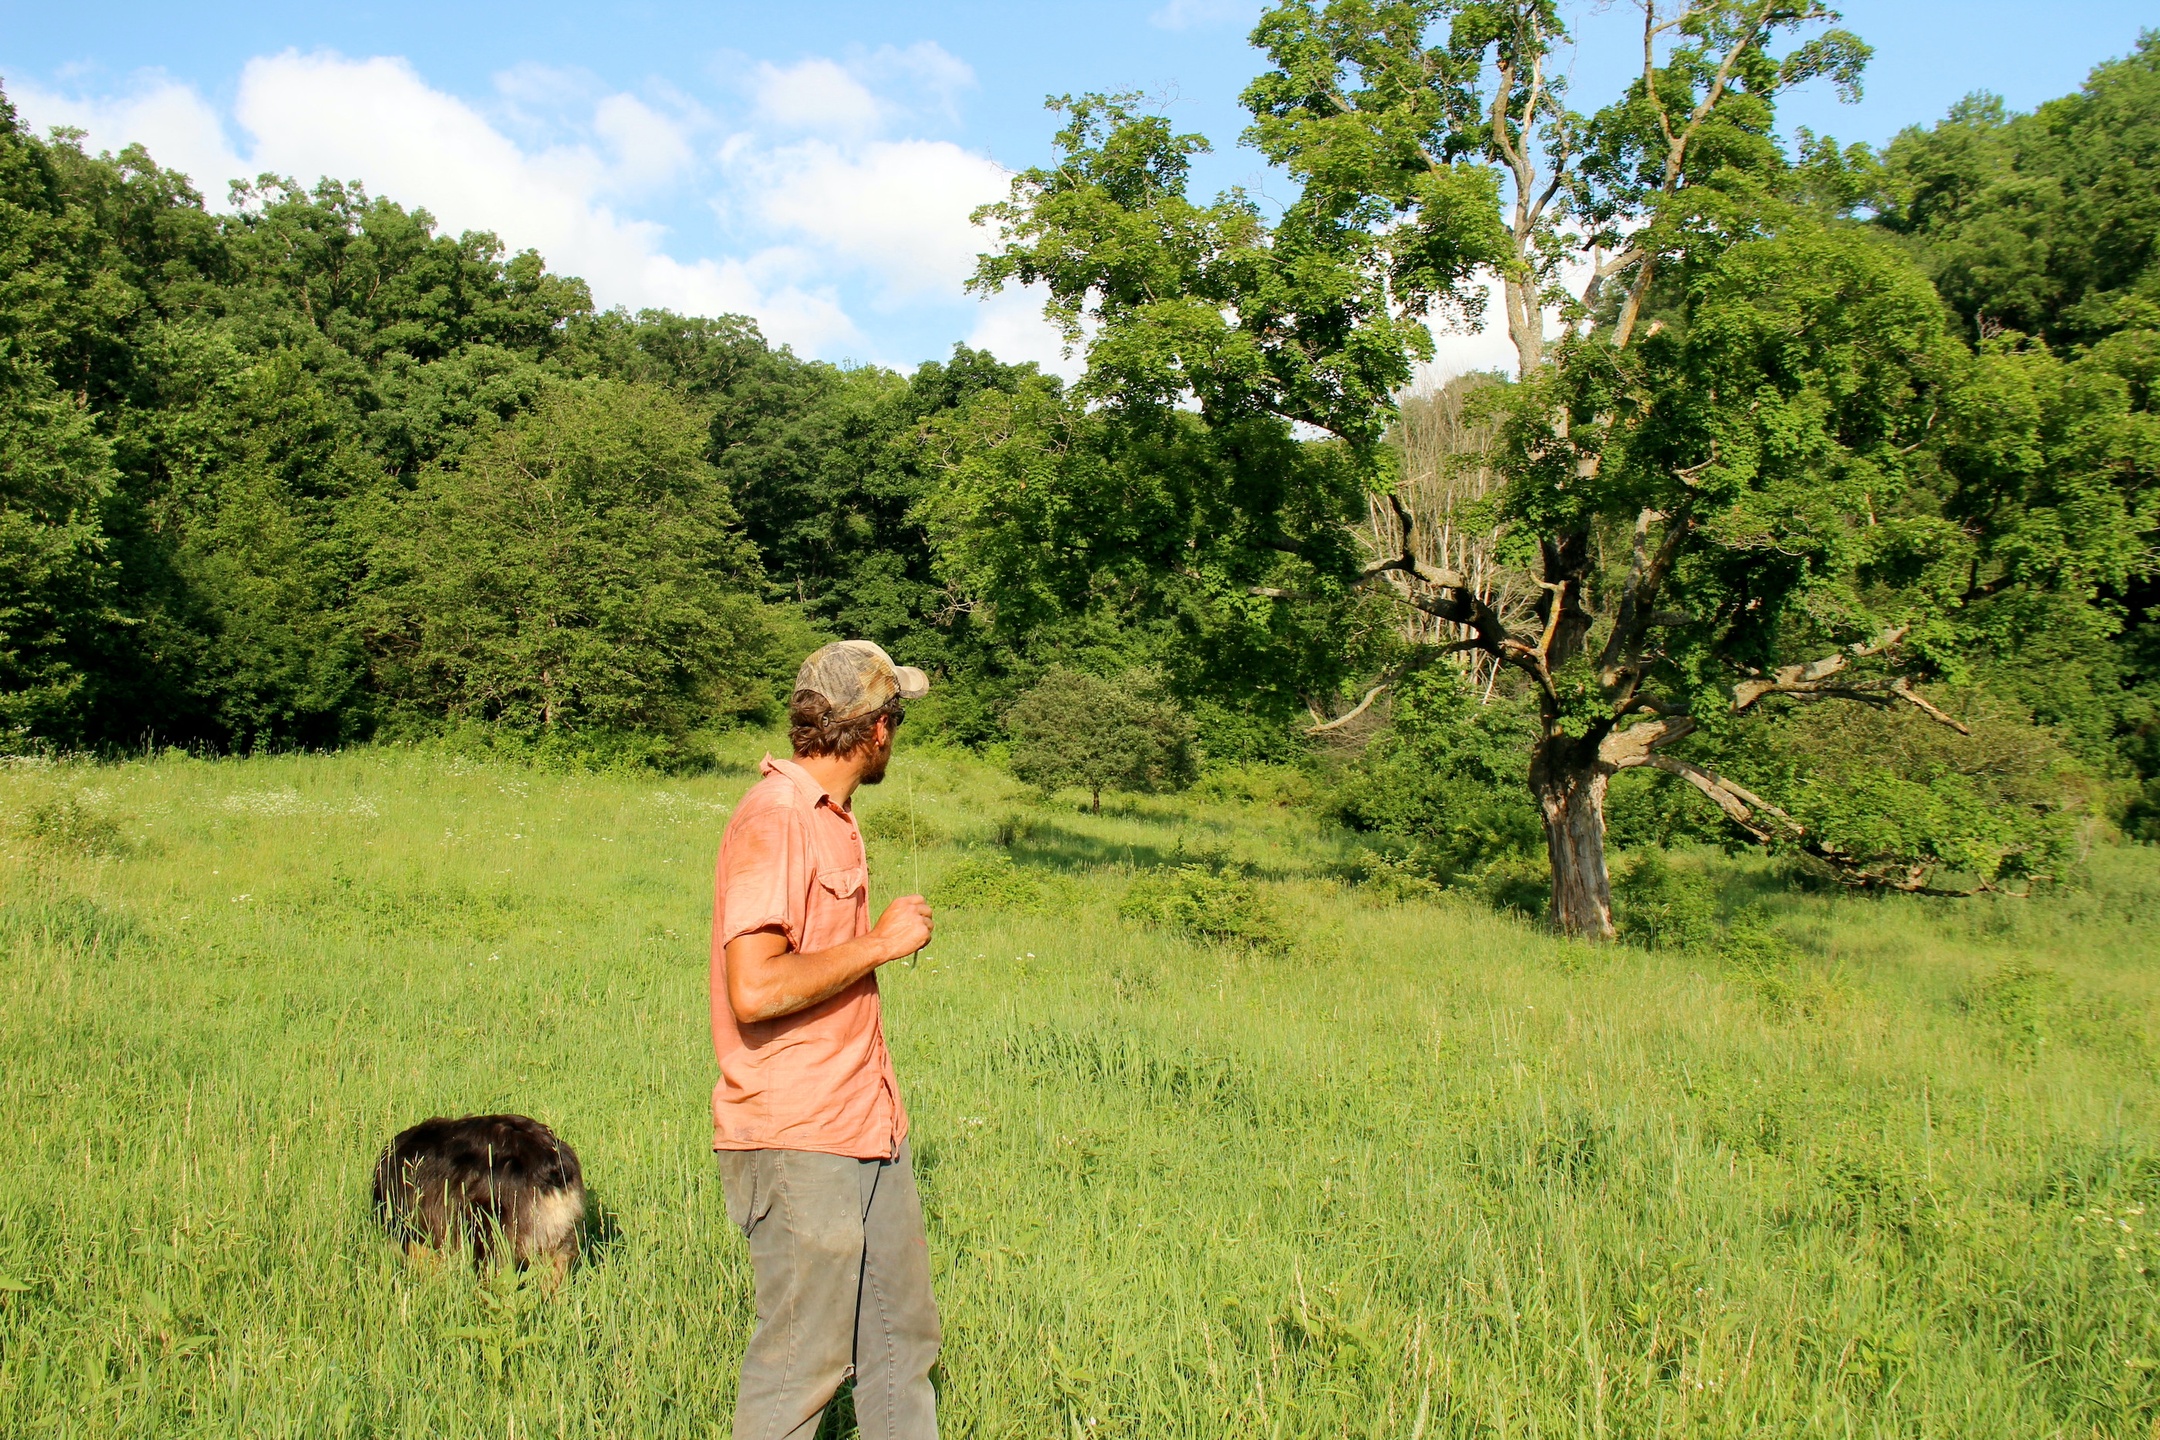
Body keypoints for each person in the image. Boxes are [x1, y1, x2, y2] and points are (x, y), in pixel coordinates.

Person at [710, 640, 940, 1440]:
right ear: (876, 728)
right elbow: (755, 988)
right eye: (896, 719)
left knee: (902, 1343)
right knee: (800, 1369)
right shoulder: (776, 819)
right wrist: (881, 945)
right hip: (798, 1136)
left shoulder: (832, 819)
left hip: (867, 1122)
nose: (896, 737)